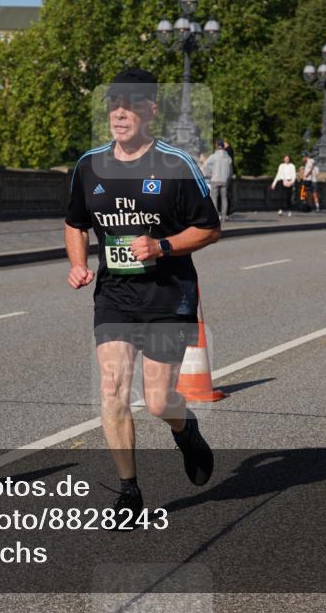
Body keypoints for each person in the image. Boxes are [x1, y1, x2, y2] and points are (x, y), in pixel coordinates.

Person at [64, 68, 221, 522]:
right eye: (113, 105)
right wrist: (78, 263)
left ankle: (185, 430)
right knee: (112, 389)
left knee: (157, 401)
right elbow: (75, 222)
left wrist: (161, 246)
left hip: (168, 296)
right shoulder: (89, 165)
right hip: (114, 294)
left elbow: (209, 228)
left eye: (130, 106)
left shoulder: (176, 164)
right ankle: (129, 492)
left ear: (150, 111)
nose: (119, 114)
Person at [203, 140, 233, 221]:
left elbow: (205, 165)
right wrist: (227, 179)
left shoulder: (213, 156)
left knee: (214, 198)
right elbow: (230, 171)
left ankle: (216, 216)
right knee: (224, 198)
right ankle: (224, 216)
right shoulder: (228, 158)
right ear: (223, 147)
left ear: (217, 146)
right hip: (224, 180)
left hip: (215, 179)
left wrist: (209, 174)